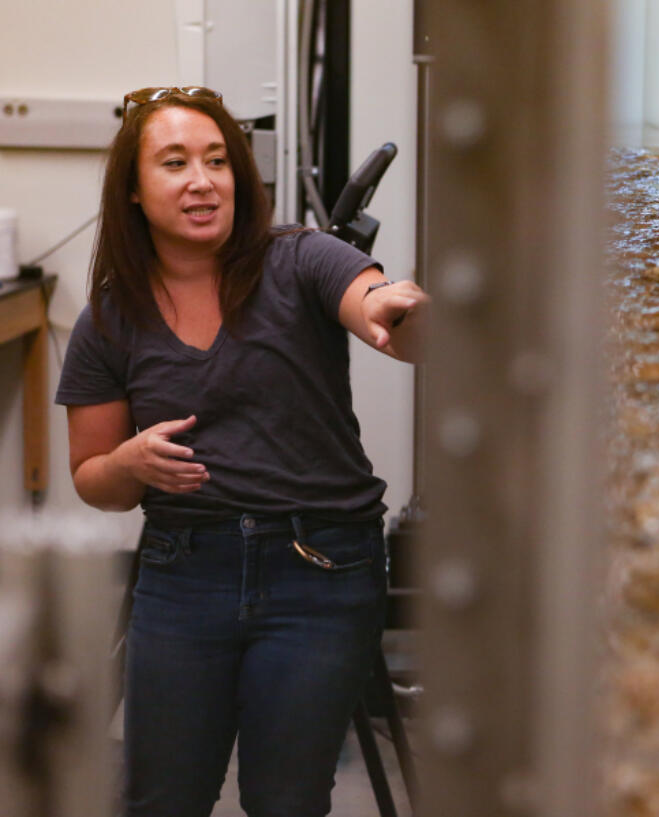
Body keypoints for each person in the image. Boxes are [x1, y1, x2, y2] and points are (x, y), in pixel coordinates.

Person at [54, 86, 427, 817]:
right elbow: (94, 479)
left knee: (284, 800)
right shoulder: (109, 319)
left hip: (318, 571)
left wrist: (394, 310)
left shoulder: (299, 259)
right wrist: (128, 464)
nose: (203, 180)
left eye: (218, 160)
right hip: (184, 574)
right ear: (133, 189)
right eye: (175, 163)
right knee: (163, 798)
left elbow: (368, 297)